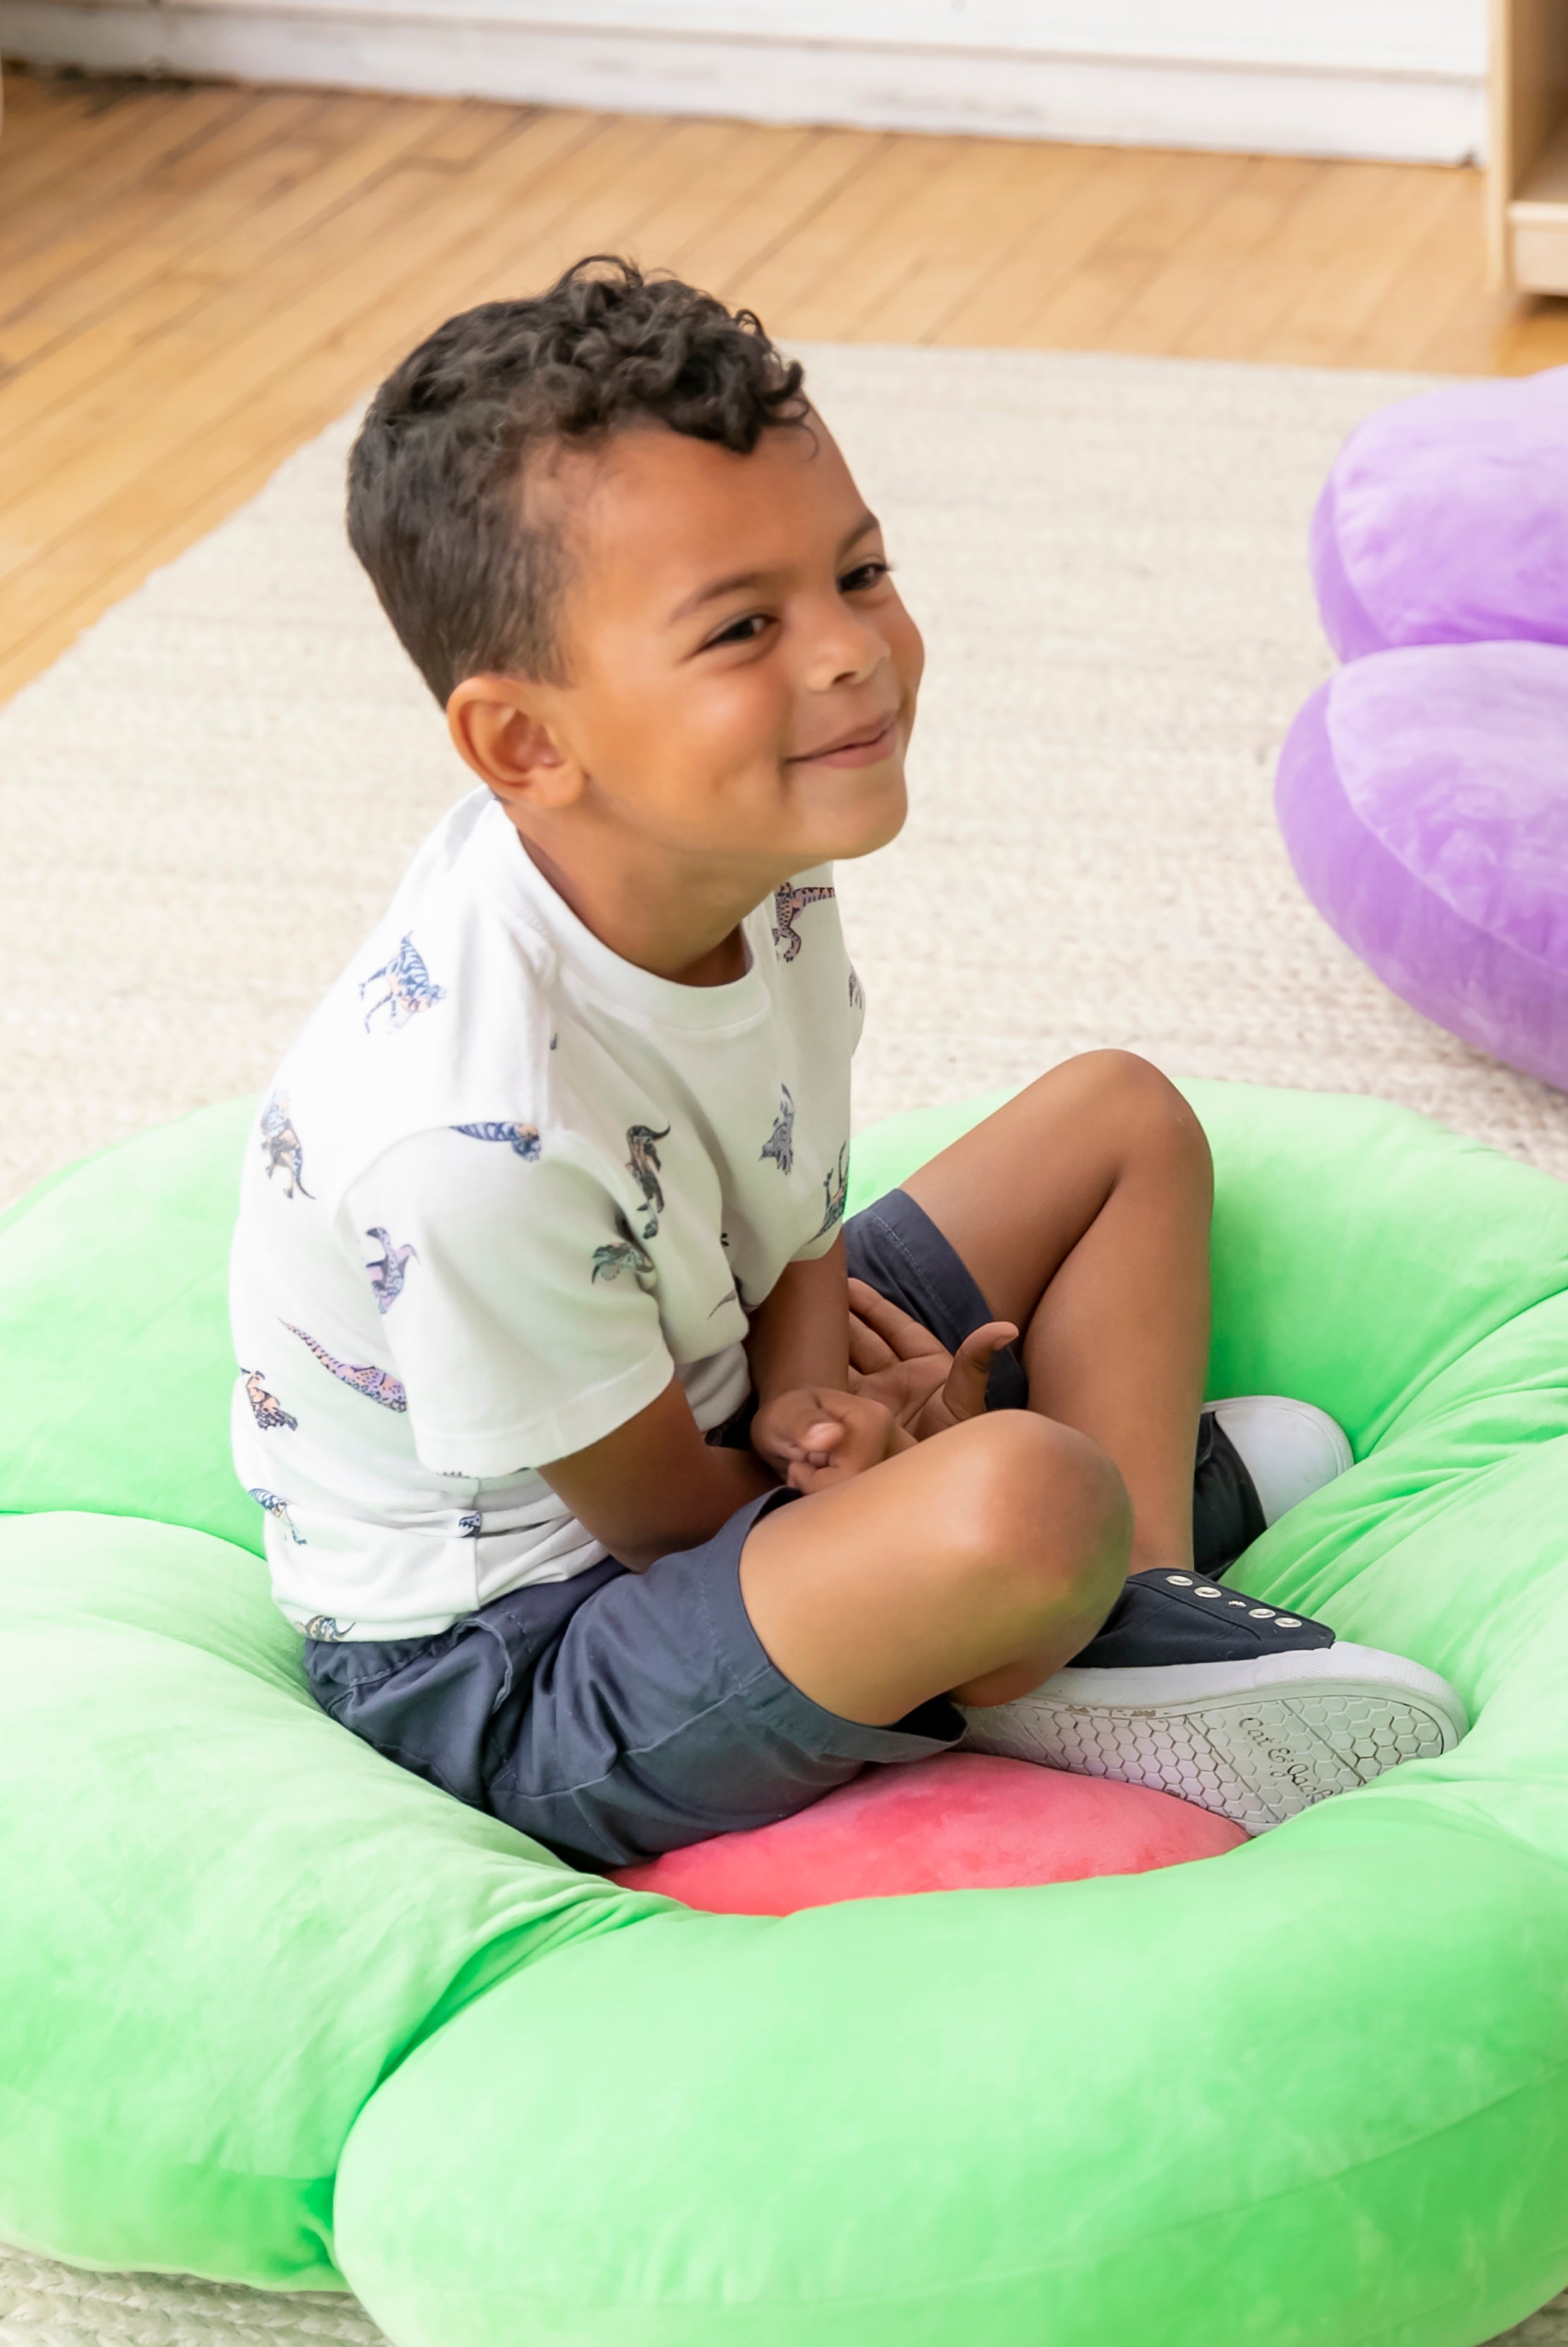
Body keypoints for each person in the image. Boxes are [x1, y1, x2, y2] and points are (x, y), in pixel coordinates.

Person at [229, 257, 1463, 1866]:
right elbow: (664, 1521)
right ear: (527, 743)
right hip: (528, 1647)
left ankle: (1131, 1600)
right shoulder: (470, 1146)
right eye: (745, 625)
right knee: (1022, 1494)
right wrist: (883, 1473)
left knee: (1121, 1119)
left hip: (714, 1375)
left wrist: (822, 1393)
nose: (848, 653)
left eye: (859, 572)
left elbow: (791, 1185)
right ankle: (1038, 1557)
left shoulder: (749, 851)